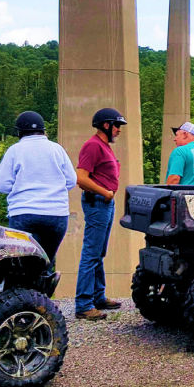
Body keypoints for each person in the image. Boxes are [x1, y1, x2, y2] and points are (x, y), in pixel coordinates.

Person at [0, 111, 76, 276]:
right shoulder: (57, 149)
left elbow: (2, 185)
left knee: (21, 265)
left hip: (24, 214)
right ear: (43, 131)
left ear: (19, 132)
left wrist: (21, 188)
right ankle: (42, 298)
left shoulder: (14, 151)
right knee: (45, 262)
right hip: (56, 216)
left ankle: (24, 299)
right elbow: (71, 180)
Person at [74, 107, 127, 321]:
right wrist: (105, 192)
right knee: (91, 253)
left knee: (99, 252)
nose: (119, 130)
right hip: (98, 202)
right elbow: (80, 177)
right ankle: (84, 304)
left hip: (105, 202)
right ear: (106, 125)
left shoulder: (104, 146)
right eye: (117, 126)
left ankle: (98, 296)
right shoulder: (92, 146)